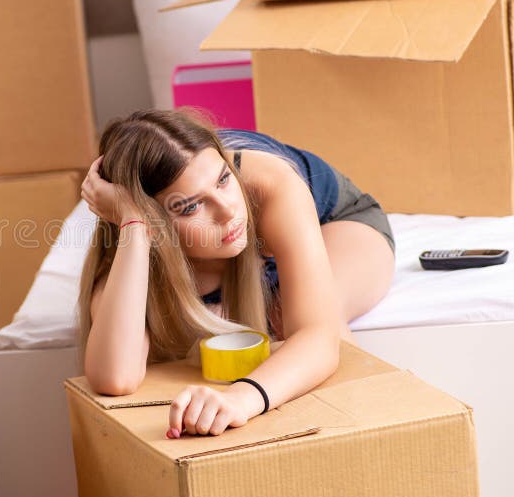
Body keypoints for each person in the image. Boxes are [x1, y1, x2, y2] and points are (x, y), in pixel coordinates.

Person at [78, 108, 395, 439]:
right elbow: (115, 377)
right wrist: (134, 223)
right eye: (190, 206)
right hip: (194, 246)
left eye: (223, 179)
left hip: (336, 222)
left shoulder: (270, 184)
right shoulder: (136, 237)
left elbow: (321, 337)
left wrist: (240, 399)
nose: (228, 210)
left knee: (290, 320)